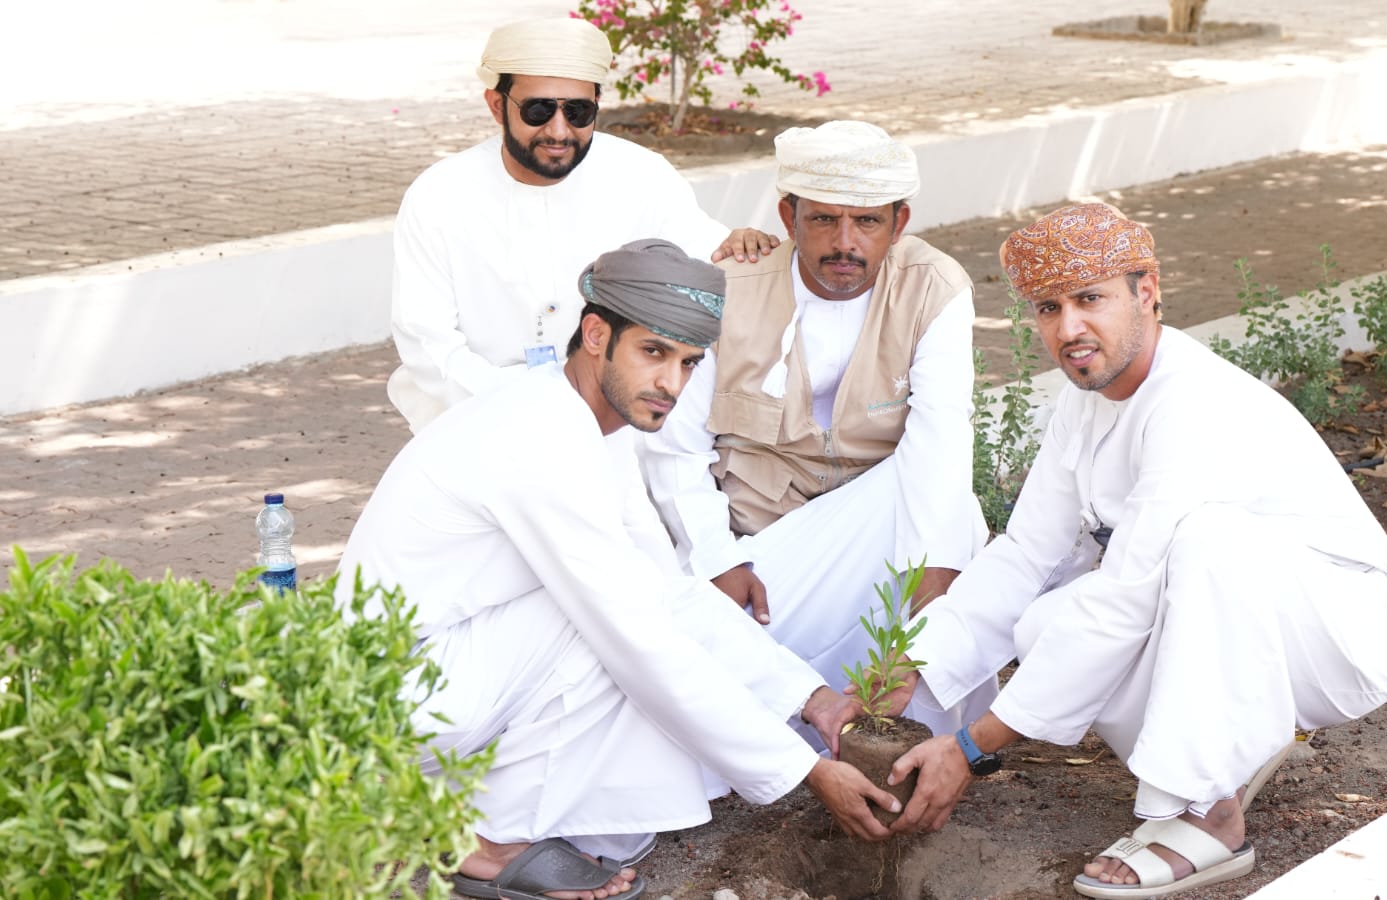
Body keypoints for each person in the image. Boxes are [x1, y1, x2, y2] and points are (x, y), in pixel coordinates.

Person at [881, 204, 1387, 897]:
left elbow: (1127, 593)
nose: (1068, 329)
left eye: (1090, 299)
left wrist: (971, 746)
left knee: (1204, 541)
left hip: (1345, 622)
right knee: (1044, 624)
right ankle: (1221, 763)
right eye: (1049, 309)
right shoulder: (1084, 399)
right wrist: (908, 665)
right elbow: (1027, 553)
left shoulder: (1193, 400)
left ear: (1146, 291)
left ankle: (1210, 815)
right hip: (1249, 610)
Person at [338, 240, 900, 900]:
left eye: (688, 363)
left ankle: (483, 813)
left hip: (444, 677)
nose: (672, 384)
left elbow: (673, 594)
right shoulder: (537, 436)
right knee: (606, 619)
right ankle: (485, 840)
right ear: (596, 335)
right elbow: (639, 635)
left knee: (633, 597)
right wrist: (803, 770)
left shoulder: (592, 427)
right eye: (653, 353)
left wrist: (812, 698)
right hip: (391, 706)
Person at [639, 120, 994, 735]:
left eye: (868, 222)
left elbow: (940, 439)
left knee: (950, 507)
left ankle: (918, 743)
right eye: (824, 219)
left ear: (899, 224)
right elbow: (674, 449)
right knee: (708, 681)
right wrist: (717, 561)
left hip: (879, 539)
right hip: (759, 548)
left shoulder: (933, 289)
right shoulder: (729, 290)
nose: (845, 243)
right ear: (789, 217)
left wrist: (927, 620)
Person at [387, 17, 777, 432]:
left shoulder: (640, 174)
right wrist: (521, 409)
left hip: (611, 421)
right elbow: (428, 343)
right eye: (538, 110)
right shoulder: (440, 195)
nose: (559, 131)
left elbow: (702, 253)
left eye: (578, 112)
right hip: (473, 418)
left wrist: (740, 245)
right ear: (497, 105)